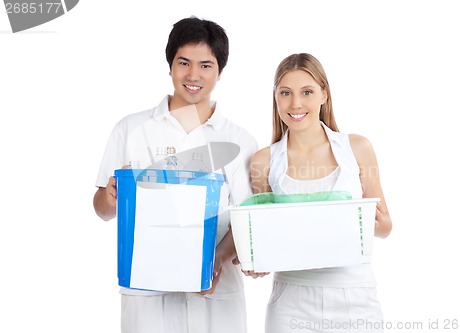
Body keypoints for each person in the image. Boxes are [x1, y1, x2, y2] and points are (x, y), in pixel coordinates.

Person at [93, 16, 257, 333]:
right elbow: (101, 210)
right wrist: (112, 196)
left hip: (215, 296)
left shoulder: (240, 141)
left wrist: (217, 262)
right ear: (170, 66)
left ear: (220, 72)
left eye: (206, 66)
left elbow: (248, 221)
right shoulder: (131, 129)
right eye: (184, 63)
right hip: (146, 295)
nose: (193, 75)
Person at [249, 53, 392, 332]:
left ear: (324, 94)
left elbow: (386, 227)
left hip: (354, 296)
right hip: (291, 301)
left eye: (307, 92)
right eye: (286, 93)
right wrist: (255, 260)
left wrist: (366, 218)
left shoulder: (358, 148)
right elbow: (263, 240)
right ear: (275, 97)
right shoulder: (262, 161)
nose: (296, 104)